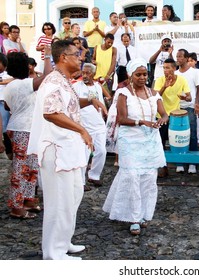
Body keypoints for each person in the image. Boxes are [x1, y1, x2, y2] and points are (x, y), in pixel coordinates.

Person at [27, 40, 101, 260]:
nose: (81, 58)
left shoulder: (65, 81)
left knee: (73, 196)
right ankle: (54, 253)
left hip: (68, 149)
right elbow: (51, 113)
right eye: (76, 54)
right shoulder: (52, 82)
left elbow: (71, 104)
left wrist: (92, 100)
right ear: (63, 57)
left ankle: (64, 241)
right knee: (59, 202)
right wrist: (83, 130)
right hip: (56, 149)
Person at [102, 58, 169, 235]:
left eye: (145, 74)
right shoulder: (123, 93)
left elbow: (164, 114)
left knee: (148, 178)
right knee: (131, 176)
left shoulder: (154, 93)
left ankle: (143, 214)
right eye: (138, 74)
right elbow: (121, 118)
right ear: (131, 75)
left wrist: (161, 120)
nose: (142, 77)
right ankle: (133, 218)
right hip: (130, 140)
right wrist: (142, 122)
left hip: (149, 141)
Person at [3, 48, 52, 219]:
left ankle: (27, 198)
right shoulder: (22, 83)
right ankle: (16, 205)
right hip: (23, 129)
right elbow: (47, 77)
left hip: (25, 128)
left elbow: (8, 107)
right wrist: (47, 56)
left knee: (31, 166)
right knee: (21, 168)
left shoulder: (11, 85)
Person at [153, 58, 191, 178]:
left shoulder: (182, 80)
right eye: (164, 68)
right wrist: (164, 86)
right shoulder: (160, 80)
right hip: (161, 115)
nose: (165, 70)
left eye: (168, 67)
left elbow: (189, 97)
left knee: (177, 141)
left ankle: (180, 164)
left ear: (174, 69)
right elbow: (155, 97)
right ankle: (163, 168)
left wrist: (185, 98)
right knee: (161, 143)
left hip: (175, 116)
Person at [73, 63, 108, 191]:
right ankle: (81, 181)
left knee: (101, 151)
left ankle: (94, 175)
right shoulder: (76, 86)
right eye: (84, 73)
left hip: (98, 124)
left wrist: (104, 115)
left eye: (88, 73)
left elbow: (101, 103)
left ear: (93, 74)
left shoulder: (98, 86)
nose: (85, 75)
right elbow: (74, 103)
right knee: (84, 153)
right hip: (84, 124)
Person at [175, 49, 199, 174]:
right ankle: (180, 162)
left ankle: (192, 163)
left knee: (192, 134)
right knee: (178, 135)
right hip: (176, 108)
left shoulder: (194, 72)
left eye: (180, 56)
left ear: (186, 58)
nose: (178, 59)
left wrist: (196, 103)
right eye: (177, 56)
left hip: (190, 106)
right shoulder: (175, 73)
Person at [188, 52, 199, 148]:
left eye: (192, 61)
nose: (190, 63)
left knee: (198, 119)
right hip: (187, 99)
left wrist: (196, 101)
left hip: (197, 97)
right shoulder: (183, 72)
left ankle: (198, 140)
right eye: (188, 61)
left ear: (195, 62)